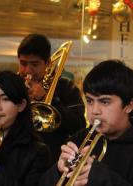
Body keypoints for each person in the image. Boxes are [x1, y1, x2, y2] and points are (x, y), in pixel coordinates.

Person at [40, 60, 133, 185]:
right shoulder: (78, 139)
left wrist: (102, 177)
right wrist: (58, 170)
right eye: (89, 101)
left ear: (129, 106)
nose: (94, 111)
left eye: (105, 102)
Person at [17, 33, 86, 163]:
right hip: (19, 159)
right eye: (23, 63)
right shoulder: (13, 86)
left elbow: (79, 125)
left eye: (34, 64)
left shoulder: (66, 88)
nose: (27, 71)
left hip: (52, 160)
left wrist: (49, 99)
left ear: (48, 63)